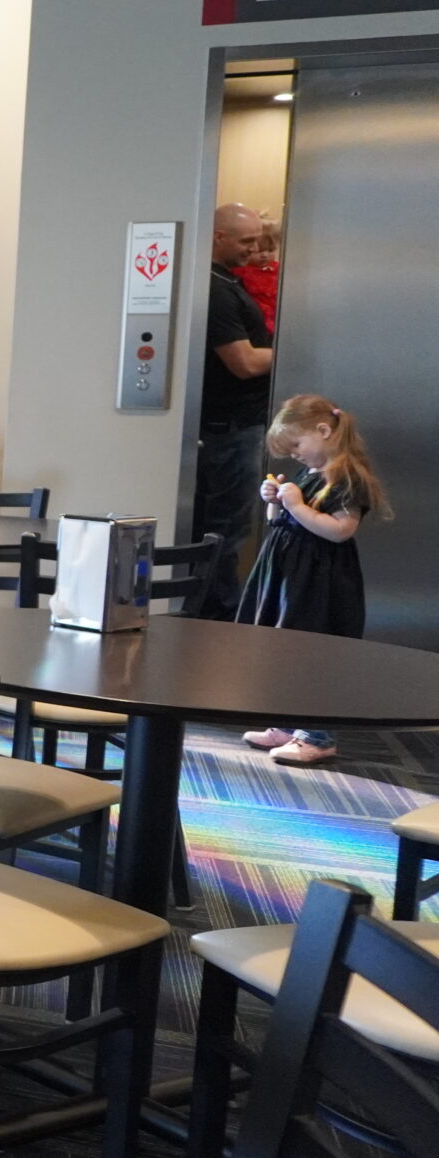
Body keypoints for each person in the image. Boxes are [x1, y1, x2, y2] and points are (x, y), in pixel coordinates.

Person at [237, 394, 384, 766]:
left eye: (298, 446)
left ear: (324, 431)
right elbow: (280, 521)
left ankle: (318, 735)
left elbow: (340, 531)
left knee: (315, 654)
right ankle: (288, 723)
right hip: (291, 577)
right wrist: (275, 501)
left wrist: (297, 506)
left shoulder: (349, 477)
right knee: (287, 648)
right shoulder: (310, 473)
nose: (296, 456)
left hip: (321, 582)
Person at [193, 202, 276, 617]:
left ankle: (214, 610)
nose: (255, 248)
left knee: (226, 528)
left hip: (235, 429)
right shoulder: (217, 291)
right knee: (227, 530)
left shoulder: (225, 282)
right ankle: (217, 615)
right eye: (246, 240)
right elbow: (242, 363)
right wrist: (288, 351)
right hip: (231, 431)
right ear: (217, 237)